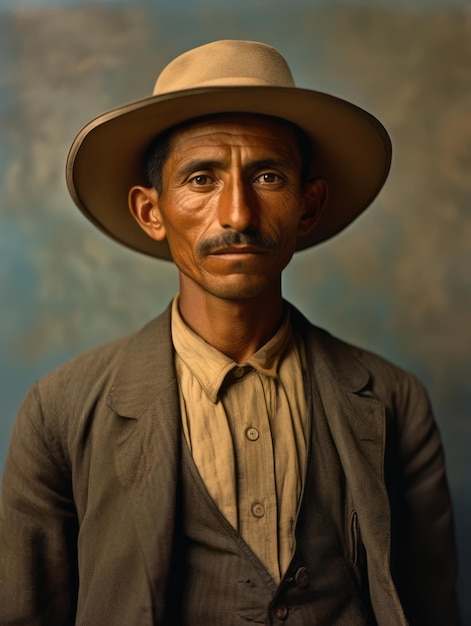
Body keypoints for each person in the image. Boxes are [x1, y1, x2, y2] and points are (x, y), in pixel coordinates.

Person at [0, 40, 460, 626]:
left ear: (308, 206)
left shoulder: (395, 402)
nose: (237, 214)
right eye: (200, 178)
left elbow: (433, 605)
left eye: (268, 176)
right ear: (152, 211)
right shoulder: (59, 412)